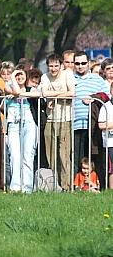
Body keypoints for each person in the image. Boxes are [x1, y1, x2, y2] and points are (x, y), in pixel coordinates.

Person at [38, 53, 75, 190]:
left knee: (64, 155)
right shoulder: (44, 77)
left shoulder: (68, 74)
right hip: (50, 119)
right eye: (51, 66)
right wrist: (56, 96)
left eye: (56, 66)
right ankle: (54, 185)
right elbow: (44, 93)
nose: (53, 69)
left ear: (61, 65)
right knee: (51, 155)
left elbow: (71, 92)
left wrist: (54, 98)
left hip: (65, 118)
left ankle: (67, 186)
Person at [71, 50, 108, 177]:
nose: (80, 66)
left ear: (88, 63)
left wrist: (94, 97)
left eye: (83, 63)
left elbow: (107, 96)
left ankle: (96, 183)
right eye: (77, 63)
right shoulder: (70, 78)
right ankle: (77, 184)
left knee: (94, 156)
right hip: (74, 124)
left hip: (93, 125)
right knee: (76, 157)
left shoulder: (97, 79)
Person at [3, 67, 38, 192]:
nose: (19, 77)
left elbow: (36, 94)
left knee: (28, 155)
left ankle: (27, 187)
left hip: (28, 123)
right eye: (16, 75)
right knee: (14, 155)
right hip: (13, 124)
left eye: (21, 75)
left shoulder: (31, 89)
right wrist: (12, 77)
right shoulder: (8, 88)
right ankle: (16, 186)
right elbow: (15, 92)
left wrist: (22, 93)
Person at [96, 82, 113, 190]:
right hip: (110, 142)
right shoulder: (106, 107)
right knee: (112, 169)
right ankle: (111, 190)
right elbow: (101, 125)